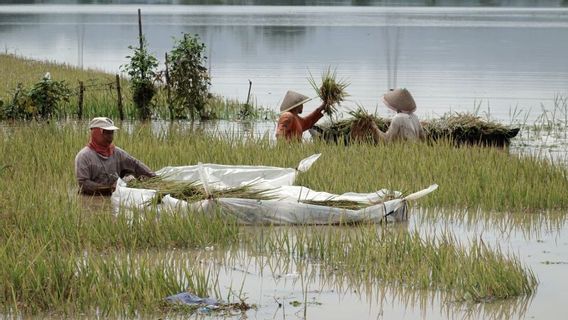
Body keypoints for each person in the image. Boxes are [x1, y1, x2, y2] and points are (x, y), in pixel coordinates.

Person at [75, 117, 155, 195]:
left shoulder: (117, 152)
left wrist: (153, 177)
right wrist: (109, 188)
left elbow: (135, 164)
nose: (110, 136)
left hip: (114, 196)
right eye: (106, 132)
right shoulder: (84, 156)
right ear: (97, 133)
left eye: (112, 132)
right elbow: (84, 184)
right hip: (91, 199)